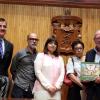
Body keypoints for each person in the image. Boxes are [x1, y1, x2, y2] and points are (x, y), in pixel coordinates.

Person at [33, 35, 64, 100]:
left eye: (55, 44)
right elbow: (38, 72)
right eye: (50, 43)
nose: (53, 45)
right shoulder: (40, 56)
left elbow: (62, 74)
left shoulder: (60, 58)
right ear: (46, 45)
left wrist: (56, 87)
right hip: (42, 90)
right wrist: (48, 87)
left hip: (56, 90)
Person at [10, 33, 39, 98]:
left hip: (31, 87)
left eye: (36, 39)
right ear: (27, 40)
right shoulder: (20, 53)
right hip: (19, 85)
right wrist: (17, 80)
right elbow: (13, 68)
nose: (34, 41)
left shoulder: (39, 55)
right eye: (32, 39)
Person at [0, 18, 13, 98]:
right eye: (0, 26)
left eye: (4, 26)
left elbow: (8, 63)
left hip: (4, 79)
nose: (2, 28)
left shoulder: (10, 45)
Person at [85, 30, 100, 100]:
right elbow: (86, 71)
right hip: (91, 90)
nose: (99, 40)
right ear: (94, 40)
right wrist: (85, 77)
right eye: (98, 38)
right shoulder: (89, 53)